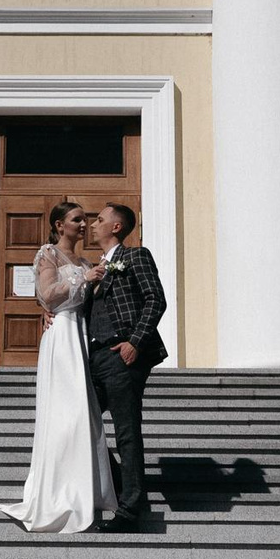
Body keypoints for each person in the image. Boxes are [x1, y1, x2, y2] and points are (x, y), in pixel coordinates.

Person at [0, 200, 114, 534]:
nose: (84, 225)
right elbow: (47, 294)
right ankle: (58, 493)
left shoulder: (85, 259)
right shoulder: (49, 254)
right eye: (77, 220)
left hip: (82, 336)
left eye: (86, 220)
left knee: (83, 417)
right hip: (61, 340)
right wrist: (83, 279)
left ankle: (85, 491)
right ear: (59, 225)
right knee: (65, 414)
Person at [82, 201, 167, 530]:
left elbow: (155, 299)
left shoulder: (136, 256)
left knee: (126, 431)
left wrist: (135, 342)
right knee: (83, 424)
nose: (93, 224)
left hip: (123, 354)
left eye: (100, 220)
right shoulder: (96, 267)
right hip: (94, 357)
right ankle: (118, 488)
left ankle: (131, 506)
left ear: (116, 227)